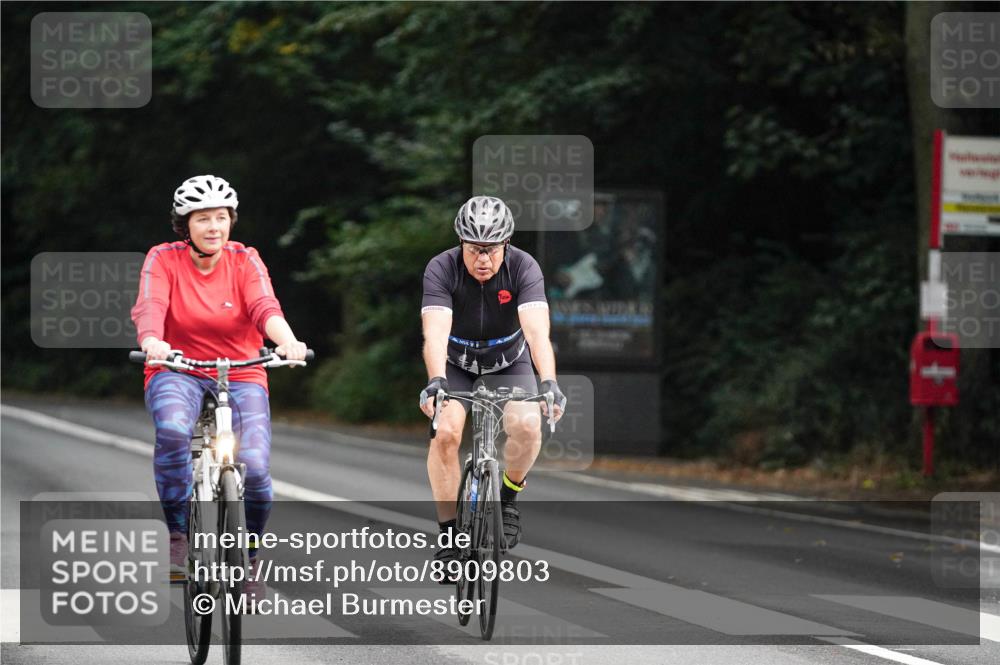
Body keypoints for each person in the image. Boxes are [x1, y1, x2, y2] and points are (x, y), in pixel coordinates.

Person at [131, 175, 308, 602]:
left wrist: (286, 340)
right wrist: (153, 341)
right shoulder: (163, 258)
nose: (214, 227)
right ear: (184, 225)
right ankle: (178, 535)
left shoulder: (245, 260)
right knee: (174, 431)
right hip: (177, 368)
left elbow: (264, 306)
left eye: (222, 218)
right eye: (204, 218)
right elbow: (150, 306)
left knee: (257, 469)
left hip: (242, 370)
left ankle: (248, 558)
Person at [419, 195, 567, 576]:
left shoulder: (523, 267)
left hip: (508, 360)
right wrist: (435, 381)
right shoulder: (441, 268)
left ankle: (508, 498)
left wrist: (549, 381)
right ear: (460, 245)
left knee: (528, 425)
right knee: (447, 434)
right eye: (473, 250)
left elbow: (537, 333)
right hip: (457, 363)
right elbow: (434, 335)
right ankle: (450, 535)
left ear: (506, 244)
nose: (482, 260)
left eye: (491, 250)